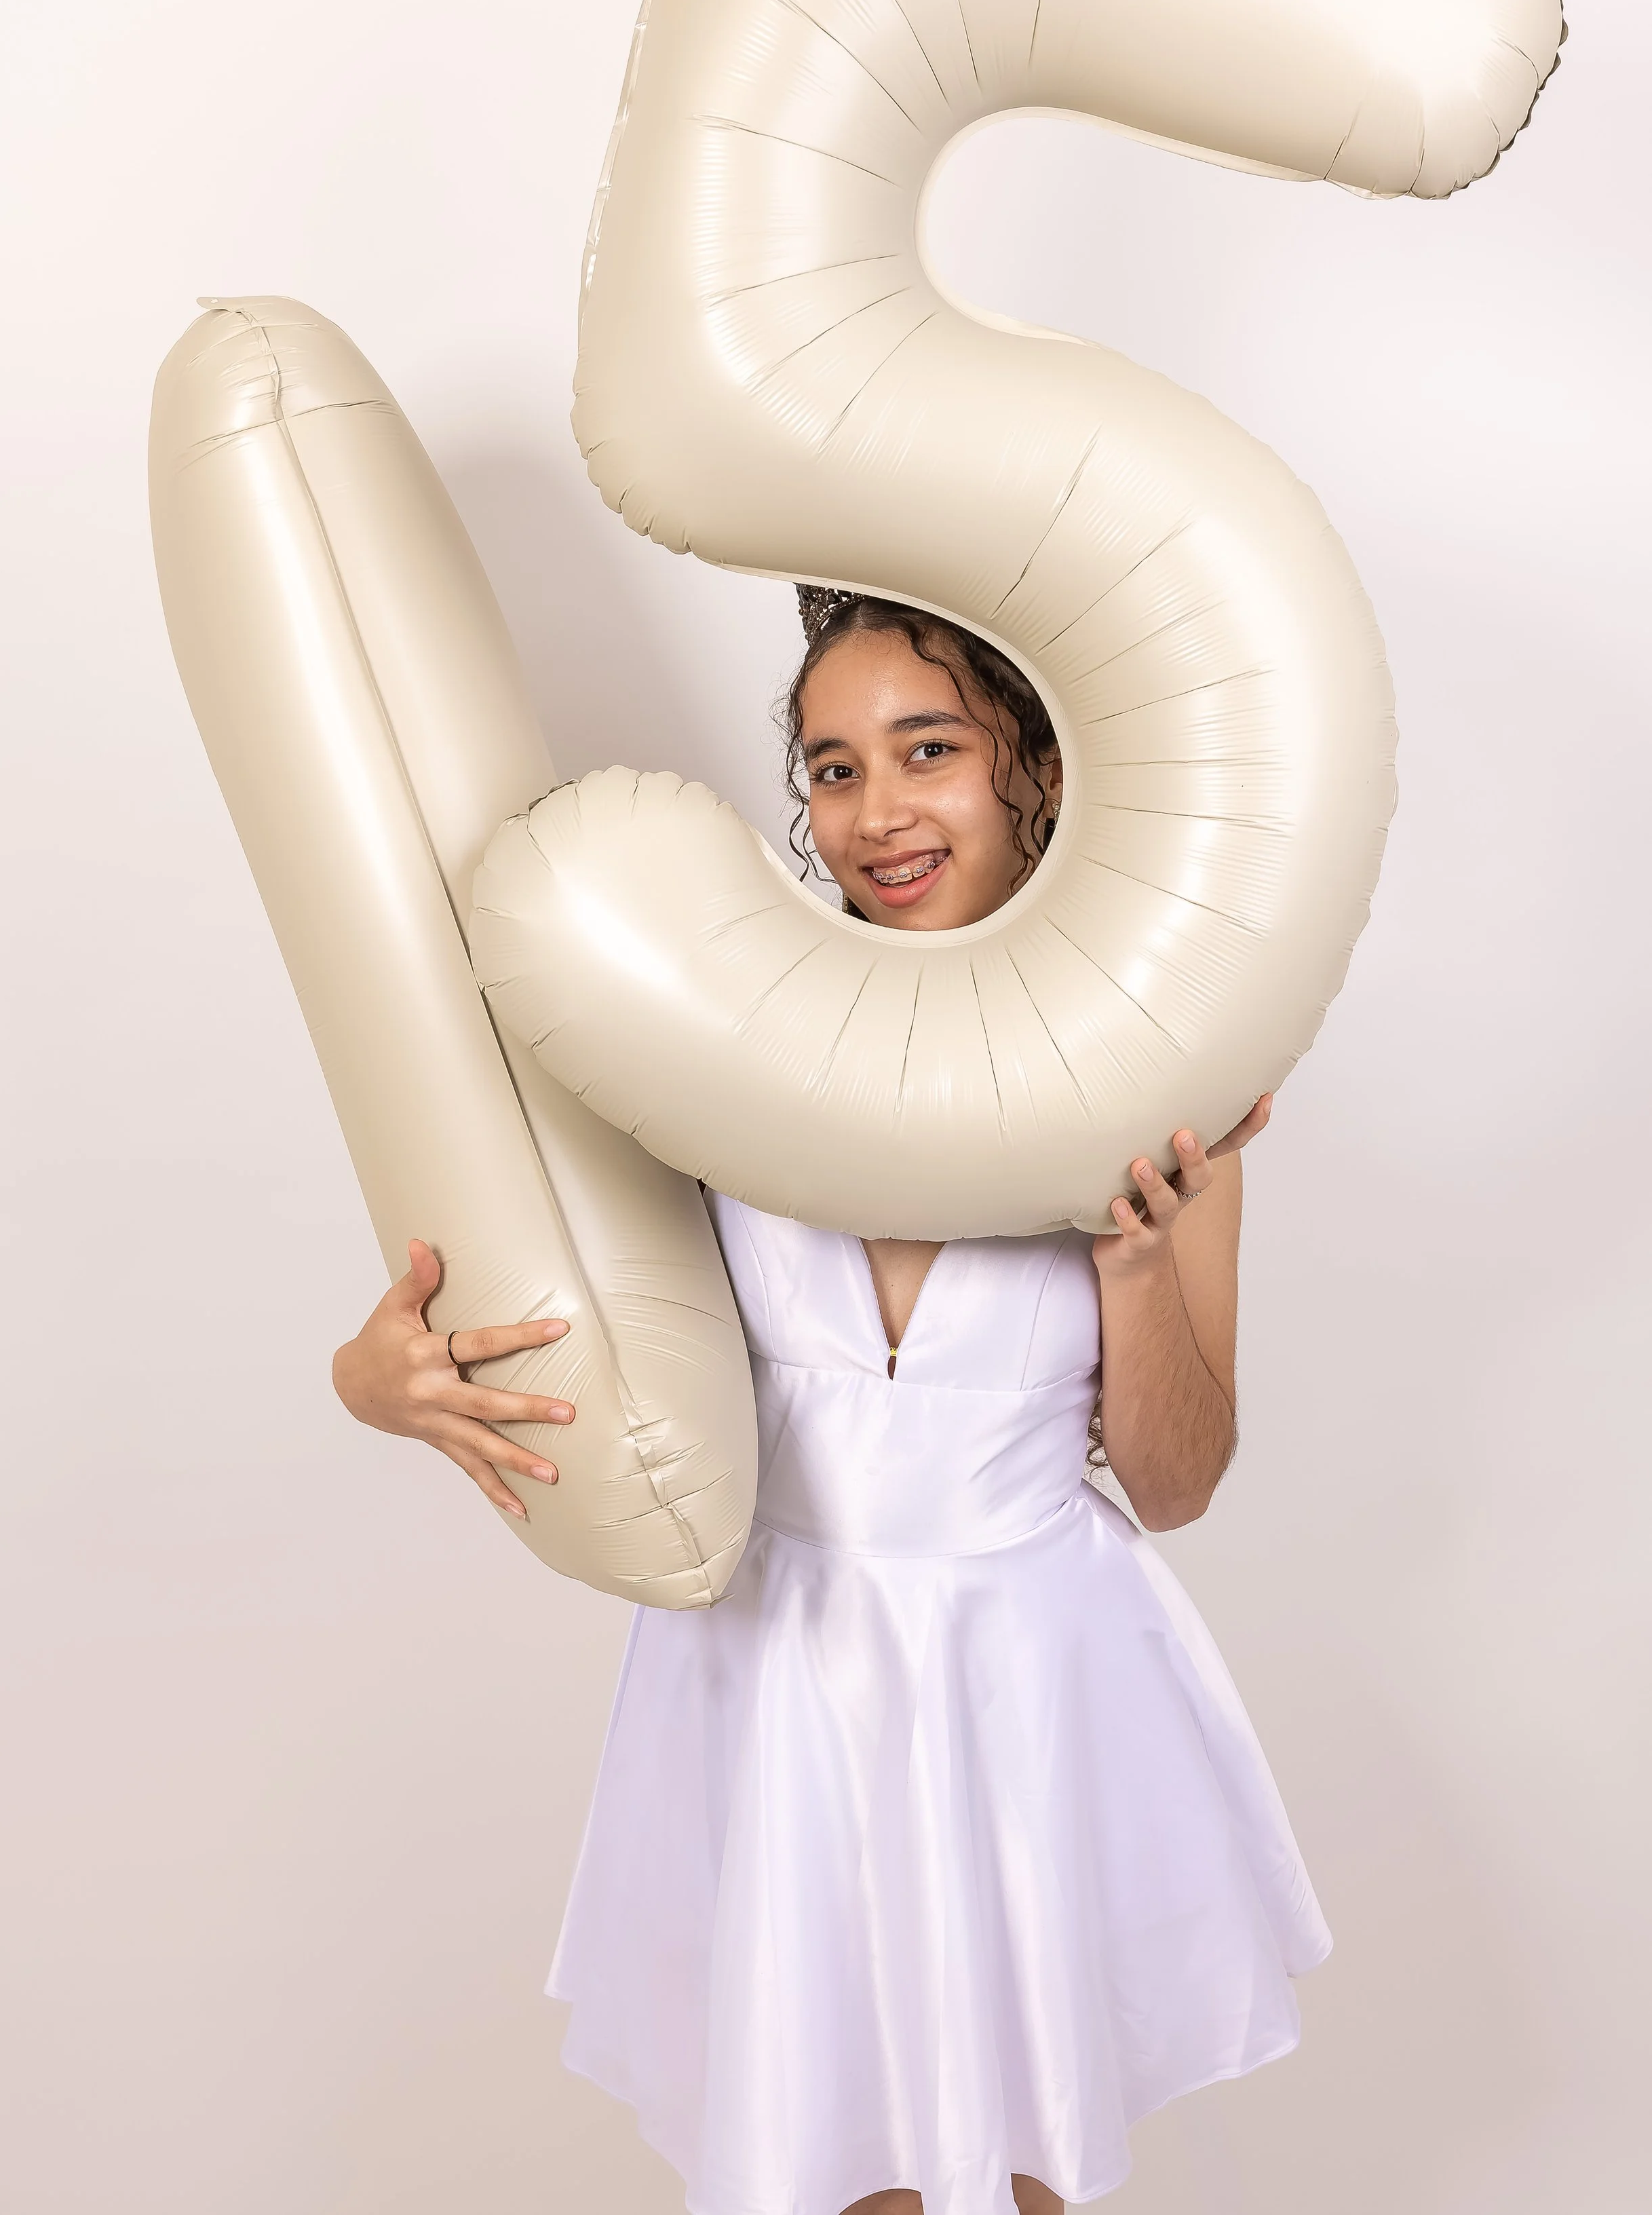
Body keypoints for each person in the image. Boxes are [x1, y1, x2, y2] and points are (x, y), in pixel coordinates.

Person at [332, 590, 1330, 2215]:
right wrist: (369, 1376)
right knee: (823, 2166)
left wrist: (1135, 1267)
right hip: (765, 1675)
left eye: (925, 750)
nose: (875, 812)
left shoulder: (1166, 1080)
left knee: (1013, 2171)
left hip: (1025, 1684)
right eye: (830, 766)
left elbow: (1176, 1478)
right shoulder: (718, 1047)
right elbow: (535, 1282)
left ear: (1035, 770)